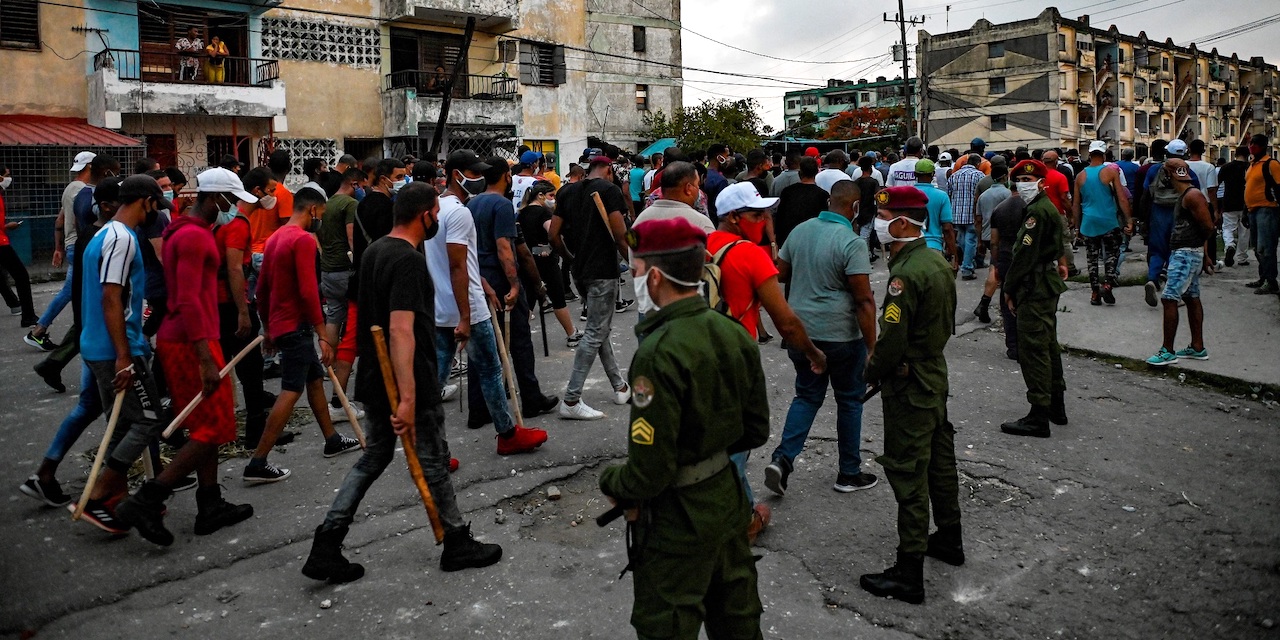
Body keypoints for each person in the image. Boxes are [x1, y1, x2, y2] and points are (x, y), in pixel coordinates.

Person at [301, 182, 503, 584]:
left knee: (374, 456)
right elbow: (400, 330)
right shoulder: (407, 260)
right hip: (405, 379)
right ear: (425, 215)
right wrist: (408, 397)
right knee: (434, 459)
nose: (437, 222)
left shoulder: (376, 250)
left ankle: (327, 541)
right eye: (435, 215)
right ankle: (457, 541)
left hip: (376, 378)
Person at [598, 217, 767, 639]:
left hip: (678, 518)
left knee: (668, 623)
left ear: (654, 278)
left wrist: (611, 480)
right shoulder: (733, 332)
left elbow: (649, 470)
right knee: (737, 619)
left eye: (636, 272)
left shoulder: (657, 352)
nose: (635, 279)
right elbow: (756, 430)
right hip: (727, 500)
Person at [116, 167, 260, 546]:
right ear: (215, 199)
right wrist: (205, 358)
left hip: (184, 337)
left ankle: (209, 503)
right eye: (231, 200)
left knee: (205, 425)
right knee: (212, 426)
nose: (233, 208)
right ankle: (148, 499)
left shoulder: (180, 229)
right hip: (191, 340)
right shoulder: (194, 238)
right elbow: (189, 300)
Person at [858, 185, 962, 606]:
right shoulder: (936, 262)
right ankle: (949, 538)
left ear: (901, 223)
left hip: (910, 383)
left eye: (884, 219)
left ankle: (909, 570)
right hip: (934, 374)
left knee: (908, 472)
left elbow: (893, 339)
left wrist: (870, 371)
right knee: (939, 461)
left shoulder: (905, 275)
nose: (879, 226)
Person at [711, 181, 825, 540]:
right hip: (735, 357)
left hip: (697, 350)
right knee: (736, 440)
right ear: (734, 218)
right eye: (756, 214)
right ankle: (741, 518)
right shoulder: (750, 254)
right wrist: (813, 352)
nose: (763, 220)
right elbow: (786, 321)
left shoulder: (697, 244)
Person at [765, 180, 878, 497]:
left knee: (807, 396)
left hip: (801, 334)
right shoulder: (851, 242)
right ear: (855, 208)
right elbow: (864, 300)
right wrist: (873, 347)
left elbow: (781, 273)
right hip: (841, 337)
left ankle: (782, 460)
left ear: (829, 201)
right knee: (849, 400)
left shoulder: (800, 231)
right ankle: (849, 472)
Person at [73, 175, 172, 534]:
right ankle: (99, 493)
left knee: (123, 423)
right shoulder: (121, 238)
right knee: (149, 420)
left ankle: (113, 497)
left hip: (100, 345)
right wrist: (123, 355)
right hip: (116, 347)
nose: (154, 214)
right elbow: (111, 297)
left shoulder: (104, 234)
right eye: (154, 206)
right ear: (145, 201)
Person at [247, 187, 362, 483]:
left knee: (313, 380)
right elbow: (309, 291)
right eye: (320, 214)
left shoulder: (275, 238)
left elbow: (262, 290)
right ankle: (258, 461)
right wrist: (323, 334)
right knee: (291, 389)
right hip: (295, 326)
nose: (319, 220)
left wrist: (269, 327)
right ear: (313, 210)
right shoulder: (301, 240)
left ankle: (332, 439)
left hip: (282, 323)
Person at [18, 177, 119, 507]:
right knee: (134, 420)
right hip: (106, 343)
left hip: (94, 337)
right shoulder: (111, 240)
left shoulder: (97, 237)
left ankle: (45, 473)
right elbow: (110, 300)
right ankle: (113, 495)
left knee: (92, 407)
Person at [469, 156, 559, 423]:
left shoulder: (473, 204)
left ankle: (479, 408)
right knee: (519, 341)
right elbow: (505, 247)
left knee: (484, 344)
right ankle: (531, 398)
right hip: (499, 279)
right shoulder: (501, 205)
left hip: (481, 280)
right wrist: (515, 283)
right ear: (506, 177)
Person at [550, 156, 634, 420]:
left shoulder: (566, 191)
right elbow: (620, 235)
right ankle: (572, 399)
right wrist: (635, 262)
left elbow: (553, 235)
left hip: (580, 271)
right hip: (602, 271)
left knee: (599, 329)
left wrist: (569, 256)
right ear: (608, 170)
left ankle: (619, 386)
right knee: (596, 333)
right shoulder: (610, 191)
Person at [1000, 160, 1069, 438]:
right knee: (1048, 345)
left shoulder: (1037, 213)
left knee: (1034, 350)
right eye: (1021, 181)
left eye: (1030, 181)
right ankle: (1056, 407)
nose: (1024, 185)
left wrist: (1009, 286)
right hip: (1044, 284)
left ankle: (1039, 415)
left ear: (1042, 183)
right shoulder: (1042, 208)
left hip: (1034, 286)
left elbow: (1024, 257)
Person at [210, 167, 275, 448]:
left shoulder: (226, 222)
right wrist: (243, 311)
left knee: (228, 367)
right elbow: (235, 269)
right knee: (250, 369)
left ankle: (222, 429)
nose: (274, 196)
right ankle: (255, 433)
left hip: (221, 303)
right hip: (230, 304)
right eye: (270, 191)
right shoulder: (237, 224)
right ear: (257, 192)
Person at [1145, 158, 1216, 366]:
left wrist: (1197, 251)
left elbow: (1208, 227)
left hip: (1185, 254)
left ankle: (1167, 350)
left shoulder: (1192, 195)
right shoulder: (1186, 194)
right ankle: (1197, 347)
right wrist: (1202, 254)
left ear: (1168, 175)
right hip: (1189, 252)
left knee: (1169, 299)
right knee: (1192, 297)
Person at [25, 152, 96, 351]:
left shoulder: (69, 189)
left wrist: (59, 248)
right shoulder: (82, 190)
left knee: (69, 292)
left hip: (72, 245)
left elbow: (60, 220)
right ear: (90, 167)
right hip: (81, 245)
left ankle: (39, 331)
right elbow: (77, 221)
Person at [630, 161, 716, 322]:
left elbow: (634, 269)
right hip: (689, 313)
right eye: (698, 185)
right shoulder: (700, 223)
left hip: (649, 311)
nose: (699, 191)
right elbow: (712, 272)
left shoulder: (640, 221)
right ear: (688, 188)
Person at [318, 167, 369, 424]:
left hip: (328, 269)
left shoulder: (329, 203)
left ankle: (329, 367)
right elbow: (352, 237)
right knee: (351, 332)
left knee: (334, 318)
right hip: (344, 271)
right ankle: (340, 394)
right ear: (355, 183)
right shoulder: (349, 204)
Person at [518, 180, 580, 345]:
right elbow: (553, 234)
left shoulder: (521, 213)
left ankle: (519, 338)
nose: (553, 199)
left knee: (528, 302)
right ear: (540, 195)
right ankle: (571, 333)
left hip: (528, 262)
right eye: (551, 195)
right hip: (546, 263)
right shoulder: (543, 214)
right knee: (558, 298)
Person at [1073, 141, 1133, 306]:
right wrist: (1129, 220)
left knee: (1092, 259)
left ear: (1090, 155)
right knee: (1112, 256)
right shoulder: (1110, 172)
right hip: (1108, 221)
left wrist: (1077, 228)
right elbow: (1121, 197)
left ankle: (1094, 293)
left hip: (1088, 222)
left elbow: (1076, 205)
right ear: (1104, 154)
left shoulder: (1080, 176)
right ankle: (1107, 285)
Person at [972, 162, 1013, 324]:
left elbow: (978, 220)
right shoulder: (1008, 194)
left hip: (987, 236)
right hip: (1002, 237)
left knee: (995, 267)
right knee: (996, 271)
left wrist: (980, 240)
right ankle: (985, 304)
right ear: (1004, 177)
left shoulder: (983, 196)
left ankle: (987, 305)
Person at [1244, 134, 1280, 295]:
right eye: (1251, 144)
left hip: (1267, 209)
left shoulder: (1271, 164)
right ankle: (1263, 277)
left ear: (1263, 146)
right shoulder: (1252, 165)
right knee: (1257, 248)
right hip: (1252, 210)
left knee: (1266, 248)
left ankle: (1271, 282)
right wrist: (1245, 211)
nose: (1252, 147)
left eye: (1255, 144)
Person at [0, 166, 36, 327]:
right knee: (21, 275)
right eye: (7, 175)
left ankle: (15, 305)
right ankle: (28, 316)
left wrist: (6, 226)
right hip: (1, 243)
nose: (9, 178)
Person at [774, 157, 827, 247]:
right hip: (812, 242)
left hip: (788, 241)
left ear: (799, 173)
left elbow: (780, 218)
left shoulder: (787, 192)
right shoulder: (823, 195)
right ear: (817, 172)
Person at [912, 159, 957, 261]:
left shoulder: (907, 195)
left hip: (911, 247)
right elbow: (947, 228)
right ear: (933, 174)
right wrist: (954, 256)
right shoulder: (941, 196)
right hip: (934, 247)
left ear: (915, 174)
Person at [948, 154, 985, 279]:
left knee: (963, 238)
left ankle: (968, 262)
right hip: (971, 214)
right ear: (978, 164)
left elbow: (949, 193)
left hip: (956, 214)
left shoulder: (954, 175)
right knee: (970, 240)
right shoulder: (979, 175)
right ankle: (967, 268)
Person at [1219, 146, 1251, 268]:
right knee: (1244, 231)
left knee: (1227, 228)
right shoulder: (1250, 167)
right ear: (1248, 155)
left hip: (1228, 202)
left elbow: (1218, 184)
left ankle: (1229, 245)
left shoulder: (1226, 167)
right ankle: (1242, 258)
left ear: (1235, 154)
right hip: (1246, 203)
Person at [703, 143, 731, 219]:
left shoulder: (700, 175)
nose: (728, 159)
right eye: (727, 156)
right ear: (719, 158)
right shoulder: (720, 181)